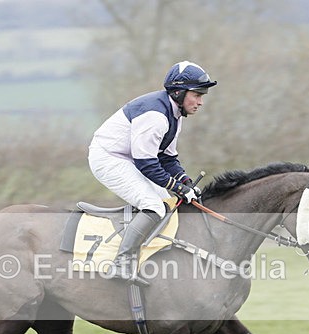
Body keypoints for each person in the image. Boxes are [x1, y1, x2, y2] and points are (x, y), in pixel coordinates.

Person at [88, 60, 217, 280]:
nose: (200, 101)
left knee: (168, 204)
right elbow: (146, 163)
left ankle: (155, 257)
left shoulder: (174, 115)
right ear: (178, 92)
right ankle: (121, 263)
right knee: (154, 206)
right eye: (197, 94)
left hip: (130, 159)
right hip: (108, 158)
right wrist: (177, 186)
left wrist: (184, 182)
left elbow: (167, 159)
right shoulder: (156, 116)